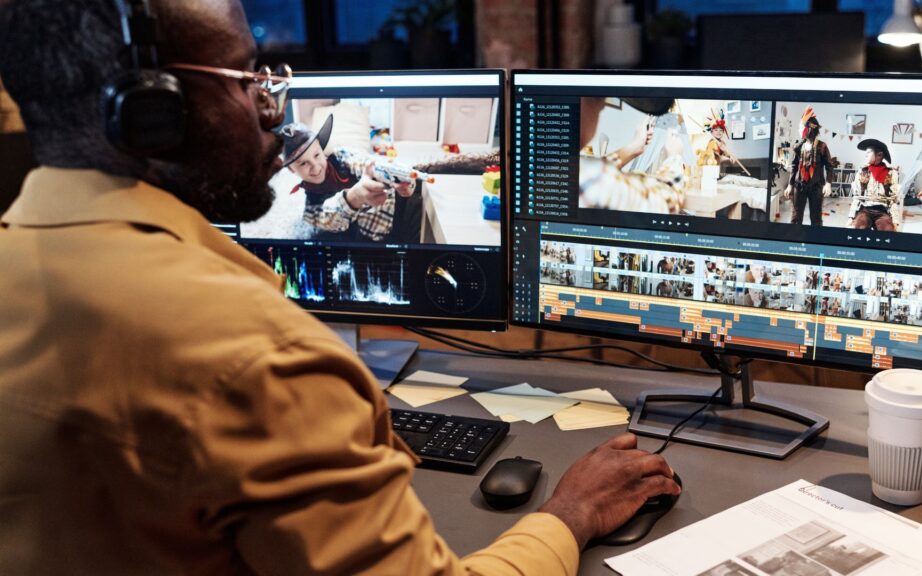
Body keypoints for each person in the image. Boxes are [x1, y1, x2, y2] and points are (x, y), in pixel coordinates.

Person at [0, 1, 679, 574]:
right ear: (153, 111)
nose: (270, 106)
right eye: (246, 78)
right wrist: (571, 513)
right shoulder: (255, 354)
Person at [281, 114, 420, 243]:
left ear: (321, 149)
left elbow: (365, 162)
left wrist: (398, 177)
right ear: (292, 170)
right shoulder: (310, 207)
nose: (315, 167)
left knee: (425, 175)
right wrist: (355, 196)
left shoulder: (341, 157)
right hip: (387, 234)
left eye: (317, 155)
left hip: (399, 197)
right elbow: (331, 220)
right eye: (303, 163)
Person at [577, 96, 686, 213]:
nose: (602, 106)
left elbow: (594, 170)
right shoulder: (594, 180)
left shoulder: (567, 170)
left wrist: (634, 147)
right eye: (597, 99)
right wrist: (675, 156)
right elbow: (665, 201)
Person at [785, 106, 834, 226]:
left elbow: (829, 166)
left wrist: (828, 184)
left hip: (816, 186)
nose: (799, 129)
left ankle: (815, 241)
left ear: (809, 129)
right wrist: (790, 185)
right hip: (799, 186)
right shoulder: (799, 146)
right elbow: (794, 165)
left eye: (801, 127)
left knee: (816, 218)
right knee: (796, 217)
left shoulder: (822, 146)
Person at [848, 138, 901, 231]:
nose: (865, 155)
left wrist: (896, 221)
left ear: (879, 155)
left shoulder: (891, 173)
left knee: (887, 230)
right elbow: (857, 197)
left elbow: (893, 200)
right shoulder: (863, 171)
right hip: (865, 210)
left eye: (868, 152)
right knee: (859, 227)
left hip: (882, 211)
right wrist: (851, 217)